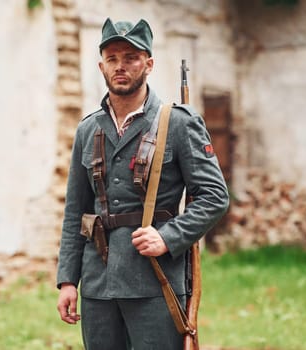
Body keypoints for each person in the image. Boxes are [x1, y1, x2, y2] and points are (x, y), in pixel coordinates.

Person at [56, 17, 229, 350]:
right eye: (112, 58)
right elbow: (75, 210)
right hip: (98, 285)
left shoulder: (177, 123)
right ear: (101, 65)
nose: (121, 66)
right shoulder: (87, 130)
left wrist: (168, 236)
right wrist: (67, 280)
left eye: (131, 57)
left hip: (155, 278)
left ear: (148, 64)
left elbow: (214, 197)